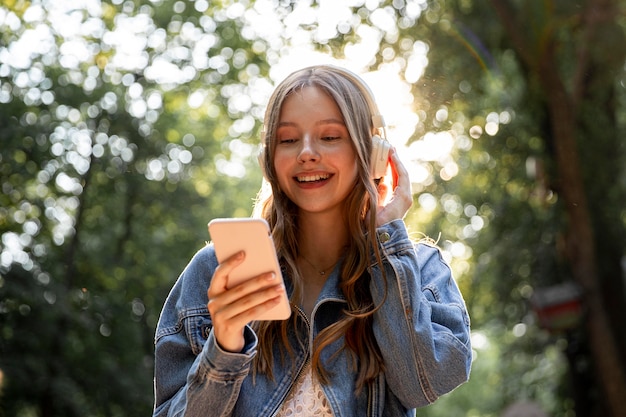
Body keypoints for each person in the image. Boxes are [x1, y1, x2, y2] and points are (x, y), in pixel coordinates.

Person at [152, 64, 472, 417]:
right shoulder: (218, 269)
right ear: (268, 160)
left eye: (330, 136)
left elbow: (423, 384)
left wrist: (386, 237)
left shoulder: (419, 269)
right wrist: (225, 347)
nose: (306, 152)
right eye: (288, 140)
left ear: (374, 153)